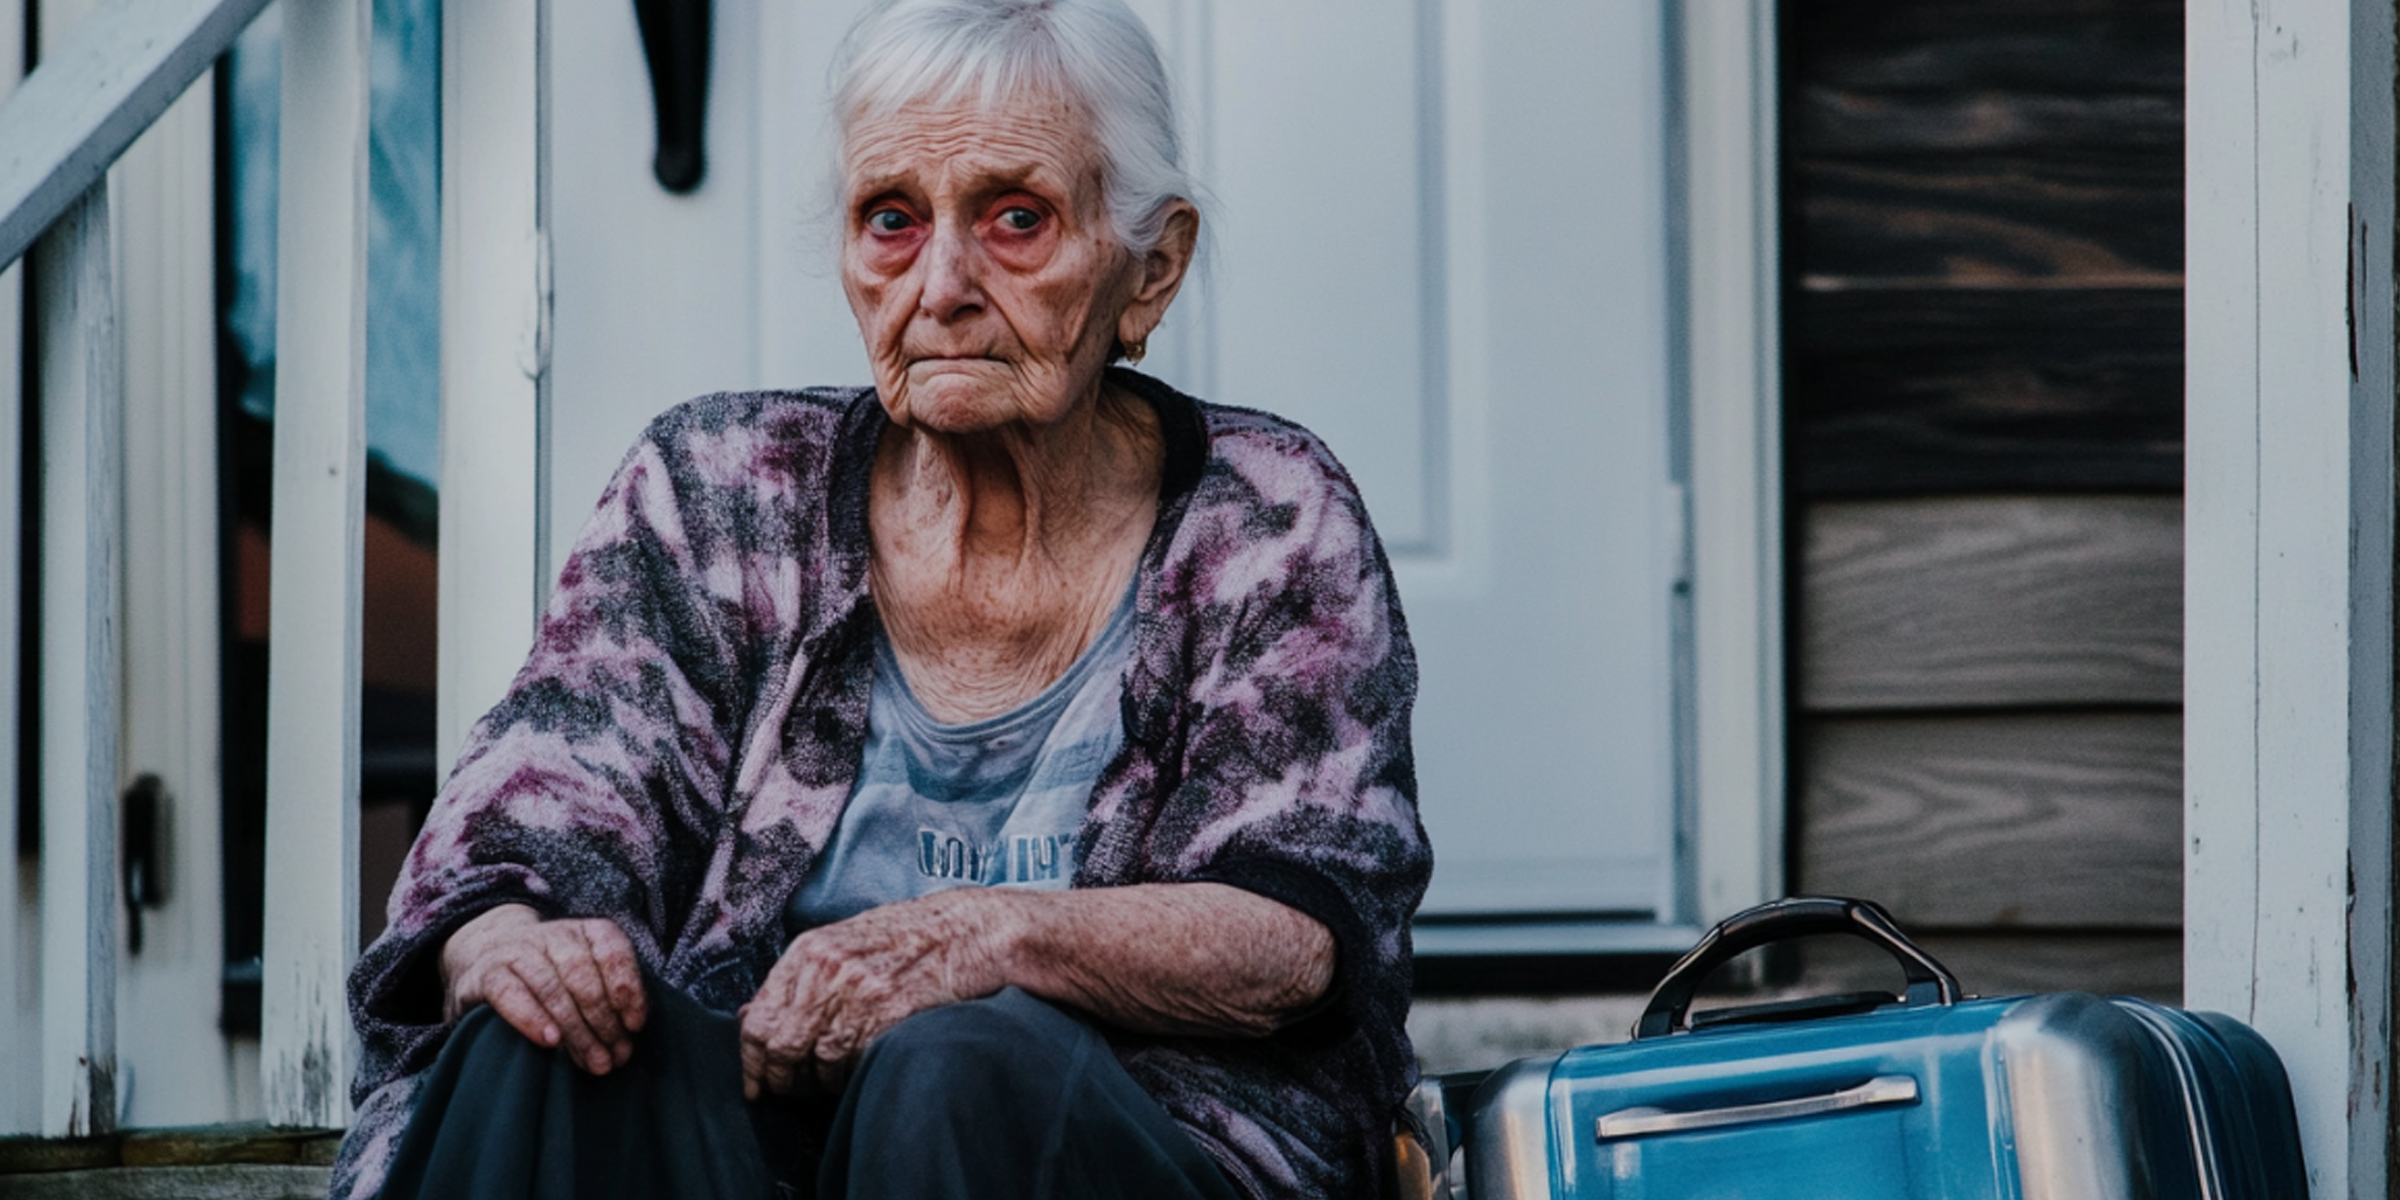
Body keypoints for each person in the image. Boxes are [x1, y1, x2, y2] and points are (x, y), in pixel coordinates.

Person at [332, 0, 1430, 1196]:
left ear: (1150, 269)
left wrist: (981, 939)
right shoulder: (717, 494)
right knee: (541, 1046)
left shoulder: (1268, 519)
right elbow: (548, 793)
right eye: (893, 221)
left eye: (1018, 220)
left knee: (952, 1066)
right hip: (759, 1140)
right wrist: (508, 945)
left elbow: (1301, 931)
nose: (943, 283)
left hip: (1141, 1144)